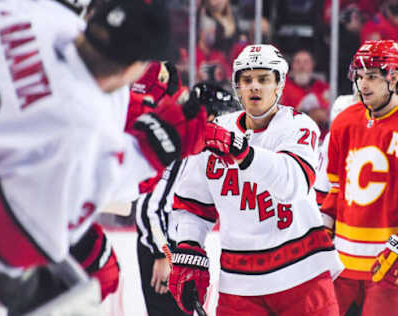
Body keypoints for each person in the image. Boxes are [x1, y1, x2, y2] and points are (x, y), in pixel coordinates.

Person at [0, 0, 209, 314]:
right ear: (135, 67)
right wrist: (147, 152)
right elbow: (15, 238)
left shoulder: (45, 17)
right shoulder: (79, 125)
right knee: (90, 276)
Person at [167, 44, 344, 316]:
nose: (254, 87)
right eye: (246, 80)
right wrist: (190, 247)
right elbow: (192, 205)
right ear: (237, 87)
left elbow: (292, 184)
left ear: (279, 85)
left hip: (303, 278)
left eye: (263, 79)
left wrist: (241, 151)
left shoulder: (298, 126)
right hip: (239, 285)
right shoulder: (216, 132)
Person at [133, 68, 240, 316]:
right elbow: (149, 206)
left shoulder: (196, 149)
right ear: (210, 116)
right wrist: (164, 256)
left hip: (170, 249)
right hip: (161, 251)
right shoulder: (182, 146)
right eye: (223, 119)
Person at [321, 39, 398, 315]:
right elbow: (334, 190)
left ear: (394, 77)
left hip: (388, 265)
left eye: (373, 77)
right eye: (360, 76)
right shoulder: (344, 121)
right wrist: (321, 238)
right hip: (342, 263)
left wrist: (397, 248)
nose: (363, 85)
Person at [280, 49, 331, 140]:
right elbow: (282, 117)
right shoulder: (282, 87)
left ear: (312, 65)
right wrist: (309, 113)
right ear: (292, 65)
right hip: (290, 138)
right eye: (298, 62)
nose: (302, 66)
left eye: (306, 62)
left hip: (319, 140)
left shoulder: (322, 87)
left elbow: (324, 116)